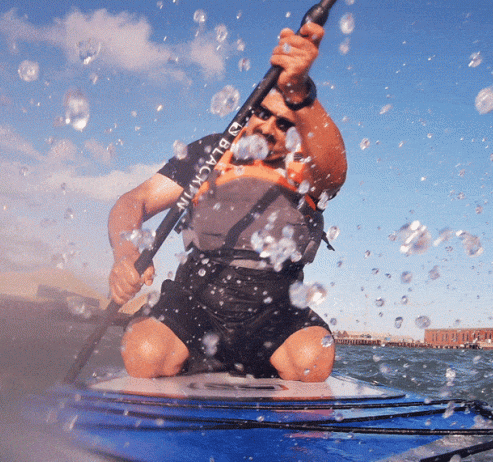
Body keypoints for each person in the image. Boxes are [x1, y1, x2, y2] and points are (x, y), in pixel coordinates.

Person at [107, 22, 346, 383]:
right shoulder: (208, 152)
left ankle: (248, 362)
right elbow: (135, 200)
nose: (268, 129)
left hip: (275, 304)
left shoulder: (307, 163)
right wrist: (126, 255)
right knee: (144, 355)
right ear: (247, 110)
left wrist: (299, 91)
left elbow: (335, 174)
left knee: (314, 361)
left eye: (284, 123)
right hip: (197, 295)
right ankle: (189, 352)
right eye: (262, 114)